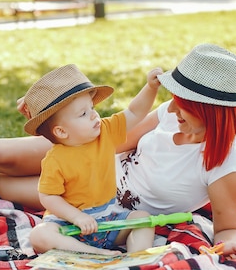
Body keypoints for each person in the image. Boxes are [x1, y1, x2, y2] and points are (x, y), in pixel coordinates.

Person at [0, 43, 236, 258]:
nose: (174, 109)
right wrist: (53, 120)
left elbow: (228, 227)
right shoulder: (170, 114)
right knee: (2, 157)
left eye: (185, 105)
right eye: (175, 99)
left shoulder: (226, 165)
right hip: (89, 158)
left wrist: (231, 242)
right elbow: (122, 136)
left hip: (99, 206)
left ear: (212, 111)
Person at [20, 64, 161, 255]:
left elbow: (135, 113)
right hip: (69, 226)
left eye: (92, 108)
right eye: (83, 113)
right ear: (61, 131)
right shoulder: (55, 160)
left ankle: (135, 258)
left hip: (107, 221)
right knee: (39, 236)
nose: (94, 114)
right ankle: (94, 253)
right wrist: (76, 217)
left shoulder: (105, 132)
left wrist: (150, 88)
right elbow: (48, 196)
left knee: (143, 219)